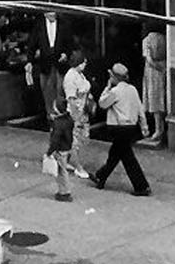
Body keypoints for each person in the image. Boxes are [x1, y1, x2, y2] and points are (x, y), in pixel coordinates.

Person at [91, 62, 153, 195]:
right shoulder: (133, 90)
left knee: (125, 156)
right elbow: (140, 110)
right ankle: (100, 177)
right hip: (131, 127)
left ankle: (141, 186)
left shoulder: (115, 92)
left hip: (118, 128)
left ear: (114, 77)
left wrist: (107, 87)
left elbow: (102, 104)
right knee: (117, 154)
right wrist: (144, 126)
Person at [61, 46, 95, 186]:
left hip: (83, 110)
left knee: (79, 140)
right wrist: (77, 118)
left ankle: (65, 161)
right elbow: (71, 99)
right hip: (75, 113)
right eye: (83, 62)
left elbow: (85, 89)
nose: (85, 64)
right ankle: (78, 167)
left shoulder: (80, 74)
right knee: (75, 142)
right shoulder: (70, 77)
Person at [139, 26, 168, 147]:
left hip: (152, 72)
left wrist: (158, 68)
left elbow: (149, 59)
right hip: (164, 69)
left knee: (154, 100)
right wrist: (164, 68)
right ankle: (160, 128)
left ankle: (158, 130)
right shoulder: (165, 38)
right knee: (162, 98)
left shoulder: (147, 40)